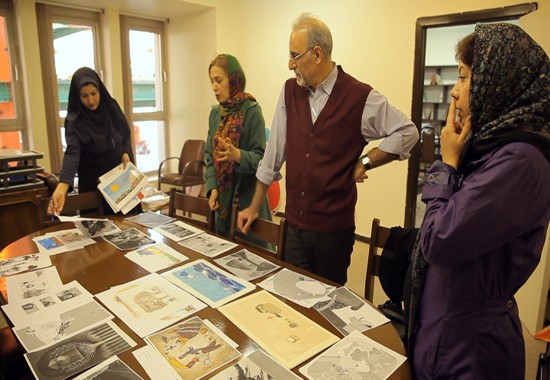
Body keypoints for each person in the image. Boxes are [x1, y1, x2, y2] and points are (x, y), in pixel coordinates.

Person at [407, 23, 550, 379]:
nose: (454, 93)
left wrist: (446, 164)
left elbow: (439, 239)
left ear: (499, 83)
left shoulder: (520, 162)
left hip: (470, 348)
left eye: (464, 78)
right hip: (448, 332)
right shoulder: (491, 148)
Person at [237, 14, 418, 285]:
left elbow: (408, 132)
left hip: (333, 234)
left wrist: (366, 161)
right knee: (292, 301)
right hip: (294, 227)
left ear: (317, 54)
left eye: (295, 56)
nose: (290, 65)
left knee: (327, 307)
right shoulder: (289, 92)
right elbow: (273, 155)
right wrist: (254, 206)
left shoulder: (359, 96)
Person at [49, 67, 137, 215]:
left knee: (129, 228)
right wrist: (61, 188)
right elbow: (72, 153)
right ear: (77, 97)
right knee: (97, 232)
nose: (90, 100)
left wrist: (125, 152)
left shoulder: (111, 107)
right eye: (84, 96)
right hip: (92, 184)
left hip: (120, 180)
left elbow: (125, 134)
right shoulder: (74, 120)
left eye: (94, 94)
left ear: (100, 90)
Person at [205, 54, 272, 239]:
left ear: (234, 80)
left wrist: (238, 156)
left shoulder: (251, 111)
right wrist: (213, 188)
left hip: (248, 205)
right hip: (222, 206)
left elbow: (262, 160)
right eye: (212, 81)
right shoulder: (215, 114)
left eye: (219, 80)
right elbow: (210, 157)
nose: (214, 87)